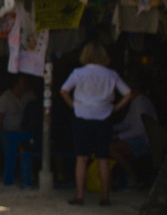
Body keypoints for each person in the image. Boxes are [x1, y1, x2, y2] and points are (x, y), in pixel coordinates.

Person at [60, 42, 133, 206]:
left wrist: (74, 105)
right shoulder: (111, 74)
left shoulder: (78, 73)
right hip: (103, 117)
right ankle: (105, 196)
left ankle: (80, 195)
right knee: (103, 158)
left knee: (81, 158)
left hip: (82, 116)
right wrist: (114, 108)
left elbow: (64, 90)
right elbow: (128, 94)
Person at [111, 74, 157, 183]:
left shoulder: (142, 103)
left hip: (144, 141)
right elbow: (127, 123)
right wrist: (111, 129)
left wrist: (119, 136)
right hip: (135, 138)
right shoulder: (135, 102)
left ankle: (132, 176)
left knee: (112, 148)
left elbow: (141, 130)